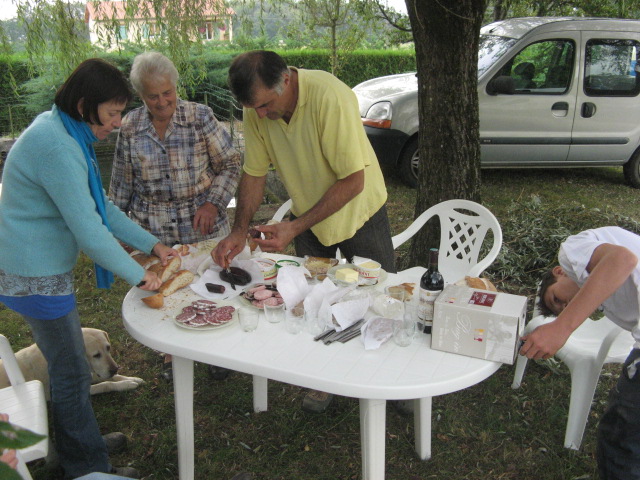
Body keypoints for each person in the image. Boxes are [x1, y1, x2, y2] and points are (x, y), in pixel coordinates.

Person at [0, 58, 178, 479]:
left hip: (38, 269)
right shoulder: (57, 146)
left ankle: (82, 445)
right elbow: (90, 232)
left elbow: (103, 208)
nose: (118, 123)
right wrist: (141, 274)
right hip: (32, 277)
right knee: (70, 370)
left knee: (68, 368)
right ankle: (85, 466)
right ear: (85, 105)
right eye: (113, 113)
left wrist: (152, 244)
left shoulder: (63, 131)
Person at [212, 50, 396, 413]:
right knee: (313, 301)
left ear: (286, 80)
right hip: (309, 215)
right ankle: (323, 377)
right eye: (254, 108)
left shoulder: (330, 95)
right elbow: (254, 173)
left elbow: (353, 180)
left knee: (377, 297)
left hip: (360, 212)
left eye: (265, 105)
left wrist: (294, 227)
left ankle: (389, 382)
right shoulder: (256, 109)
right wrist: (239, 230)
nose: (261, 115)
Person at [110, 51, 241, 382]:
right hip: (151, 227)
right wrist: (117, 233)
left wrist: (214, 203)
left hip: (201, 219)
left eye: (167, 92)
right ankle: (172, 352)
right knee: (165, 288)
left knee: (209, 282)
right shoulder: (130, 127)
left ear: (175, 86)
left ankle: (214, 346)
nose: (162, 101)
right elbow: (122, 184)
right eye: (152, 96)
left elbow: (230, 163)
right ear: (141, 95)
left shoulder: (200, 117)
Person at [520, 226, 640, 480]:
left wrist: (560, 328)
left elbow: (623, 259)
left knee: (620, 438)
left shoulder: (570, 250)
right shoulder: (609, 304)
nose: (565, 306)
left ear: (558, 273)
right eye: (560, 309)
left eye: (556, 298)